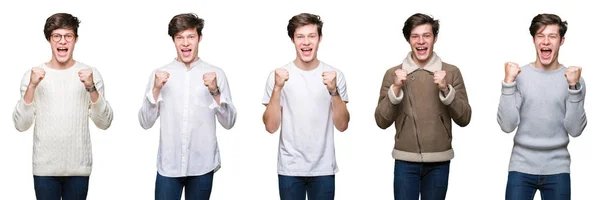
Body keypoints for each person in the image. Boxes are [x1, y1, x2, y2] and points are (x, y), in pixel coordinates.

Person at [12, 13, 114, 200]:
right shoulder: (32, 75)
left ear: (75, 40)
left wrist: (90, 87)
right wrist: (32, 86)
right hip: (45, 169)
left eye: (68, 36)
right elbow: (21, 125)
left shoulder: (90, 74)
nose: (62, 41)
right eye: (56, 36)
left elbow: (105, 122)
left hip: (78, 169)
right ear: (49, 40)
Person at [138, 13, 237, 200]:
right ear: (173, 41)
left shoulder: (216, 74)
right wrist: (156, 89)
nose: (185, 43)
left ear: (200, 38)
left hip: (203, 165)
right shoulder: (159, 75)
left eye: (190, 37)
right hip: (169, 165)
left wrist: (216, 91)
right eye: (179, 38)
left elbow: (229, 122)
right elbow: (145, 122)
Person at [374, 13, 472, 200]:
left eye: (426, 35)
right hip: (405, 161)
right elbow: (381, 121)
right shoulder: (393, 74)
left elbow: (465, 118)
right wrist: (395, 87)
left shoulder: (451, 72)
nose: (421, 41)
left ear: (435, 38)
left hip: (439, 162)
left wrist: (446, 89)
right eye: (415, 36)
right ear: (408, 40)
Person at [497, 13, 587, 200]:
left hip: (558, 168)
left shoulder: (574, 79)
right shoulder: (519, 76)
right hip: (521, 166)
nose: (546, 42)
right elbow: (507, 126)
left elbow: (575, 129)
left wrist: (573, 88)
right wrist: (508, 83)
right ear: (534, 40)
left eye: (552, 36)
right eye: (540, 36)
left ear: (561, 41)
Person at [262, 13, 350, 200]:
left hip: (323, 168)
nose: (306, 42)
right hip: (290, 168)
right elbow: (271, 127)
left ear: (320, 39)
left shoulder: (335, 75)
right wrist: (277, 88)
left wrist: (334, 92)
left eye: (312, 36)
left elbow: (342, 125)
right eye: (300, 36)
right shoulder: (278, 76)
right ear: (292, 40)